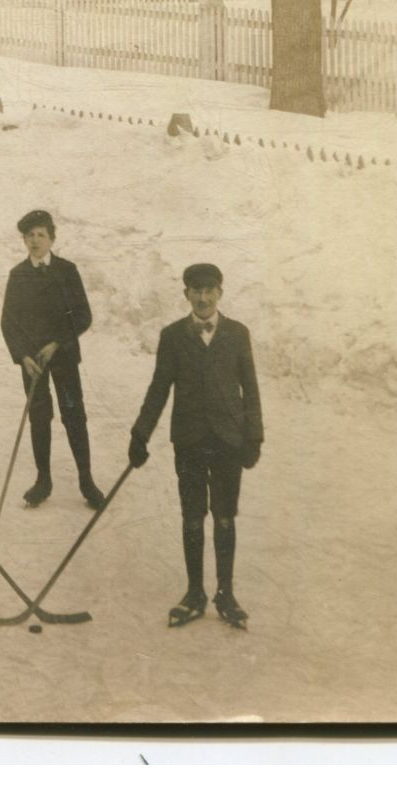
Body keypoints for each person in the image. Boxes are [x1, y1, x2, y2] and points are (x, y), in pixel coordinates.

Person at [128, 263, 263, 629]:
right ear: (185, 294)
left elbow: (250, 389)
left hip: (227, 440)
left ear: (220, 292)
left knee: (223, 516)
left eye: (209, 289)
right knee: (191, 516)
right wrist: (140, 433)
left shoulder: (237, 334)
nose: (202, 297)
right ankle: (194, 593)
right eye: (195, 290)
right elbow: (159, 389)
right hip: (188, 439)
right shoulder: (173, 336)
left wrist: (254, 435)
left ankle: (225, 593)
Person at [0, 209, 103, 508]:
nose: (34, 241)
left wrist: (58, 342)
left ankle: (86, 480)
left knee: (74, 416)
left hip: (64, 357)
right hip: (33, 363)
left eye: (40, 235)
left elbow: (83, 315)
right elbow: (8, 321)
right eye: (29, 235)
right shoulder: (17, 275)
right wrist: (22, 356)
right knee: (39, 418)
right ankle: (43, 480)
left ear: (52, 238)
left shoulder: (67, 271)